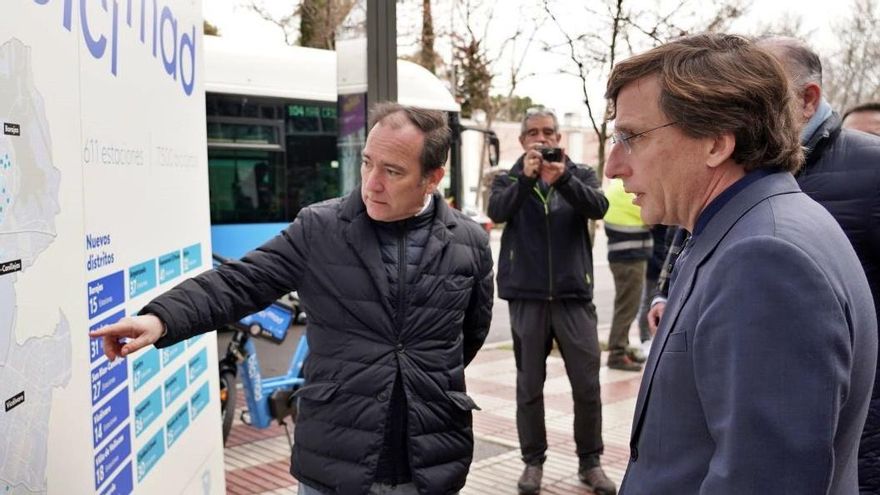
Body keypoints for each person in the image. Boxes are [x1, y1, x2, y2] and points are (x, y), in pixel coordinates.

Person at [91, 103, 495, 495]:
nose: (371, 183)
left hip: (429, 463)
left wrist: (420, 378)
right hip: (334, 458)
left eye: (392, 171)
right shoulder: (320, 227)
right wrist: (161, 318)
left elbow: (467, 337)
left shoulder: (470, 242)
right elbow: (241, 281)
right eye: (367, 163)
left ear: (432, 178)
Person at [605, 33, 878, 493]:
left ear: (716, 143)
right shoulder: (742, 227)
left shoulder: (765, 259)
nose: (613, 166)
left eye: (631, 137)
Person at [756, 37, 880, 493]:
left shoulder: (873, 169)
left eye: (762, 96)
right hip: (766, 401)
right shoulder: (748, 164)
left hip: (854, 420)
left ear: (808, 100)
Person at [487, 108, 614, 495]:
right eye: (533, 133)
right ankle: (533, 462)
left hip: (573, 296)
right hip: (527, 297)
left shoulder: (580, 174)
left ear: (558, 138)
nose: (541, 138)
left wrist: (563, 180)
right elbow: (497, 211)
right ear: (522, 140)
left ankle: (590, 462)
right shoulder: (509, 177)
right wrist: (527, 180)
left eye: (548, 132)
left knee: (587, 386)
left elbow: (598, 207)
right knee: (529, 388)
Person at [603, 178, 651, 371]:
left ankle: (622, 346)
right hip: (630, 257)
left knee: (625, 304)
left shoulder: (617, 187)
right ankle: (617, 353)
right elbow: (652, 217)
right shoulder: (630, 188)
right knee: (627, 307)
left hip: (623, 256)